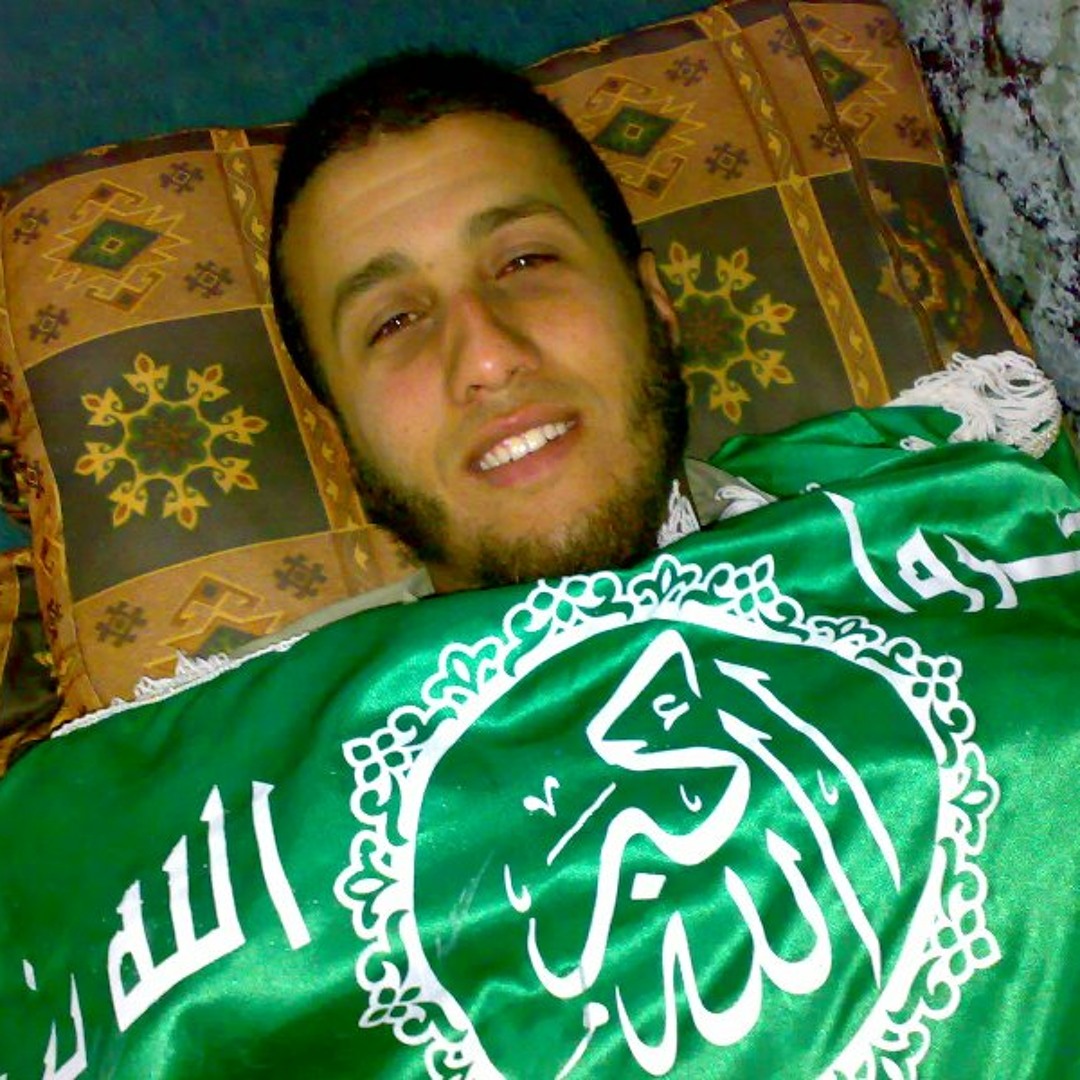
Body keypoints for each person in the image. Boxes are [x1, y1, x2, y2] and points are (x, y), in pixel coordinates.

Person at [269, 50, 700, 594]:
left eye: (525, 262)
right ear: (340, 437)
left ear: (654, 301)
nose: (488, 360)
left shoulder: (813, 517)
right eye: (395, 322)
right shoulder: (319, 658)